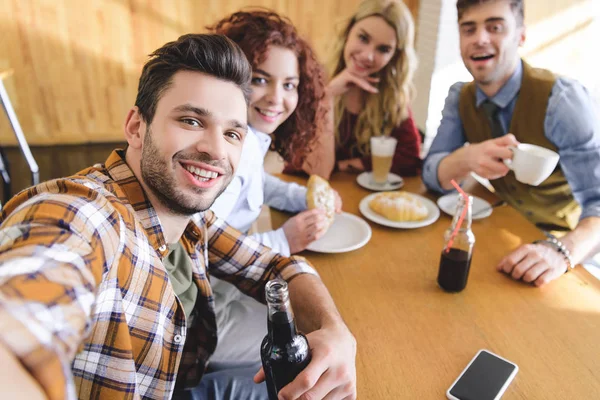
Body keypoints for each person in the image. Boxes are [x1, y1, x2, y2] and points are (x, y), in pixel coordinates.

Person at [0, 34, 357, 400]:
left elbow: (274, 267)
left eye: (232, 132)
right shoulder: (87, 217)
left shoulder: (189, 213)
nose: (215, 149)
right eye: (190, 120)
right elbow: (20, 319)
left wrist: (336, 331)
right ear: (136, 127)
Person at [422, 0, 600, 286]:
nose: (479, 39)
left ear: (521, 36)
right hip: (500, 238)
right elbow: (432, 174)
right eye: (469, 29)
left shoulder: (562, 101)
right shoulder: (460, 97)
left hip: (563, 252)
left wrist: (560, 252)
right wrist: (467, 158)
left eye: (495, 27)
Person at [204, 10, 344, 371]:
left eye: (289, 84)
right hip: (201, 317)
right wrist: (283, 240)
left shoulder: (249, 139)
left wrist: (304, 197)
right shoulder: (219, 150)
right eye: (261, 79)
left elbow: (258, 182)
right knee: (309, 341)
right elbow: (198, 242)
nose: (276, 98)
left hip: (231, 288)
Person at [300, 0, 422, 179]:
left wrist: (350, 165)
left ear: (394, 56)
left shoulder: (391, 95)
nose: (368, 56)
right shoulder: (312, 81)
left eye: (383, 49)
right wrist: (328, 96)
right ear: (348, 31)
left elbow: (410, 158)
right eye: (363, 38)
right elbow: (314, 169)